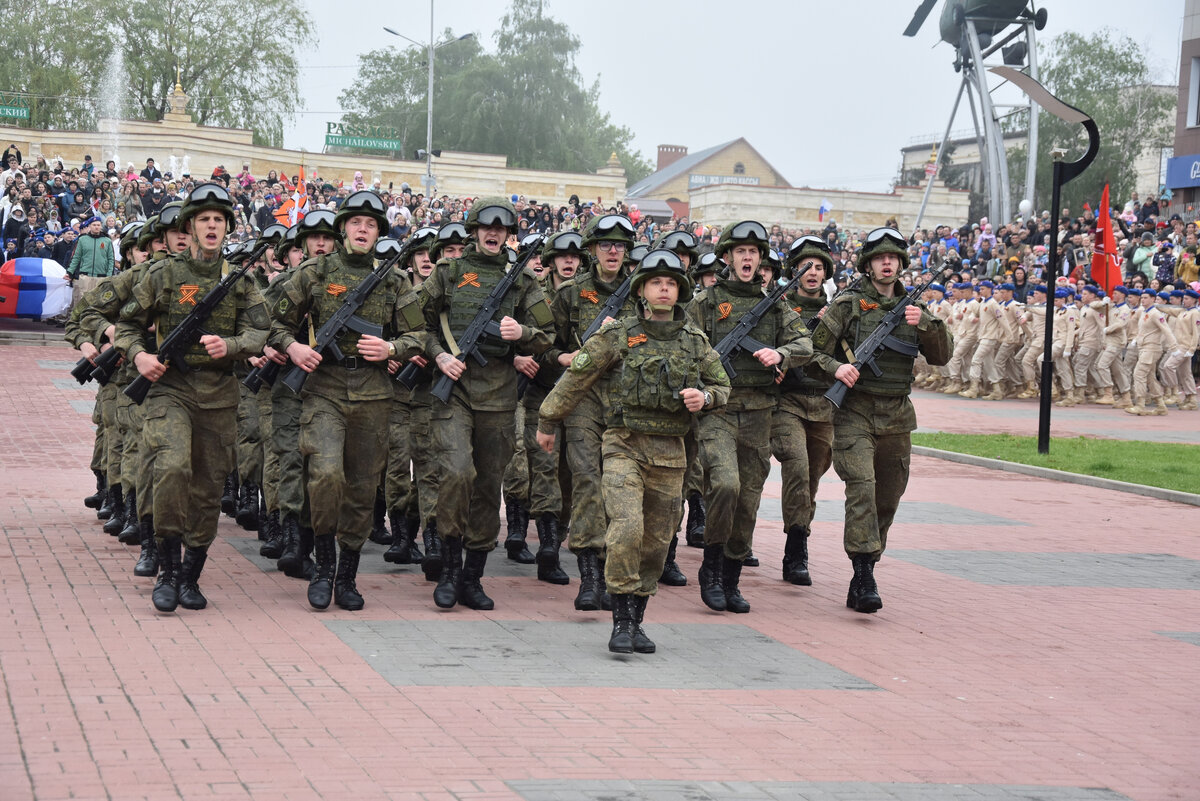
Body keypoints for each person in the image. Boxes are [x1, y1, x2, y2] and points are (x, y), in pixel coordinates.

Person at [536, 250, 730, 653]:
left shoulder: (694, 341)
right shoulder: (619, 333)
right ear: (641, 289)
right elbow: (576, 377)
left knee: (657, 543)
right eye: (656, 282)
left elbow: (723, 386)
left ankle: (637, 620)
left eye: (671, 283)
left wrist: (706, 397)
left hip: (671, 454)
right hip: (623, 444)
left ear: (680, 291)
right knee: (627, 528)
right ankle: (621, 621)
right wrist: (547, 421)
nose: (664, 288)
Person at [115, 184, 270, 614]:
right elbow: (126, 326)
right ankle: (167, 569)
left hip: (220, 395)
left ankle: (191, 575)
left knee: (206, 488)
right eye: (204, 219)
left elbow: (261, 331)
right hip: (170, 389)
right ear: (190, 226)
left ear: (227, 228)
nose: (211, 226)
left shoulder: (240, 280)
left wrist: (234, 345)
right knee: (170, 467)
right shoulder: (162, 275)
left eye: (219, 220)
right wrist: (140, 355)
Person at [267, 191, 426, 611]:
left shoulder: (394, 281)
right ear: (343, 230)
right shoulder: (316, 272)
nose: (362, 229)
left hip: (374, 394)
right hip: (324, 389)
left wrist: (392, 349)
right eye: (355, 222)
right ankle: (323, 566)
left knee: (360, 487)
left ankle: (348, 575)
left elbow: (418, 336)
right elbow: (271, 320)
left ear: (378, 233)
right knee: (324, 475)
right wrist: (293, 347)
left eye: (370, 225)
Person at [417, 196, 555, 611]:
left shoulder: (523, 281)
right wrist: (439, 354)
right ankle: (448, 567)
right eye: (486, 227)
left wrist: (522, 334)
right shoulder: (450, 271)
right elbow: (411, 321)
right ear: (474, 230)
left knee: (487, 485)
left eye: (501, 229)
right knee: (457, 472)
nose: (493, 234)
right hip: (453, 390)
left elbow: (547, 335)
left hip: (498, 393)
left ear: (508, 235)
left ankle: (473, 575)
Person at [810, 227, 952, 614]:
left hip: (897, 417)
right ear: (868, 265)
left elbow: (942, 356)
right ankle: (862, 572)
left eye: (893, 258)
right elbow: (811, 352)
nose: (887, 263)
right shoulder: (848, 304)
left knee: (887, 498)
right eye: (879, 258)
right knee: (862, 489)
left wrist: (925, 324)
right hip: (854, 412)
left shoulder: (913, 308)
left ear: (901, 264)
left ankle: (868, 562)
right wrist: (838, 369)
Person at [685, 220, 813, 614]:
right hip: (718, 410)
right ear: (726, 257)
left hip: (760, 413)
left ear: (761, 260)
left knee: (749, 499)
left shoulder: (775, 304)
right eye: (740, 251)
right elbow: (682, 342)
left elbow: (804, 342)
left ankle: (732, 575)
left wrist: (782, 355)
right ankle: (711, 565)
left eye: (753, 252)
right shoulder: (705, 302)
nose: (746, 257)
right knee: (725, 485)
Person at [544, 214, 639, 611]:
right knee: (586, 480)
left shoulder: (642, 293)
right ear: (592, 250)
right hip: (582, 398)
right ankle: (589, 576)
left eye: (619, 245)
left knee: (617, 488)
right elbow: (546, 347)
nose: (613, 250)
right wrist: (562, 357)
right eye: (605, 244)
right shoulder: (570, 294)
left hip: (626, 402)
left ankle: (611, 569)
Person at [771, 236, 837, 587]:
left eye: (819, 267)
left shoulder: (840, 307)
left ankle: (798, 536)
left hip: (824, 403)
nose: (813, 272)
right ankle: (796, 551)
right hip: (788, 402)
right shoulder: (779, 307)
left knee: (810, 478)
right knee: (796, 467)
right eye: (806, 266)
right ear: (794, 270)